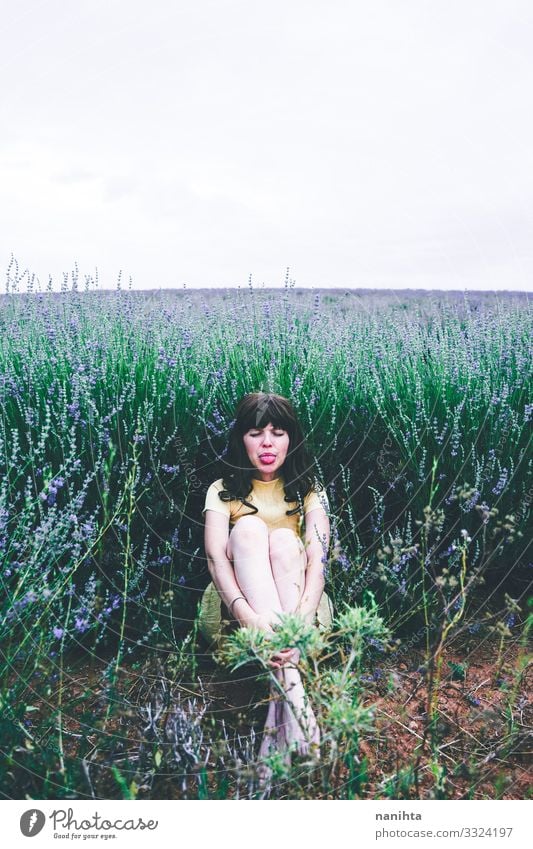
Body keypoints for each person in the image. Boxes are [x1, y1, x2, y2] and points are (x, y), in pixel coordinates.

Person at [201, 391, 331, 761]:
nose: (268, 443)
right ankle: (300, 705)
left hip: (302, 609)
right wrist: (252, 619)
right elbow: (215, 560)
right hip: (235, 613)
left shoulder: (309, 489)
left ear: (292, 438)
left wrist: (302, 622)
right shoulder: (222, 491)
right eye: (256, 433)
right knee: (247, 532)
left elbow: (319, 558)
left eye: (278, 432)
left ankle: (284, 705)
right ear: (241, 440)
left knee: (288, 543)